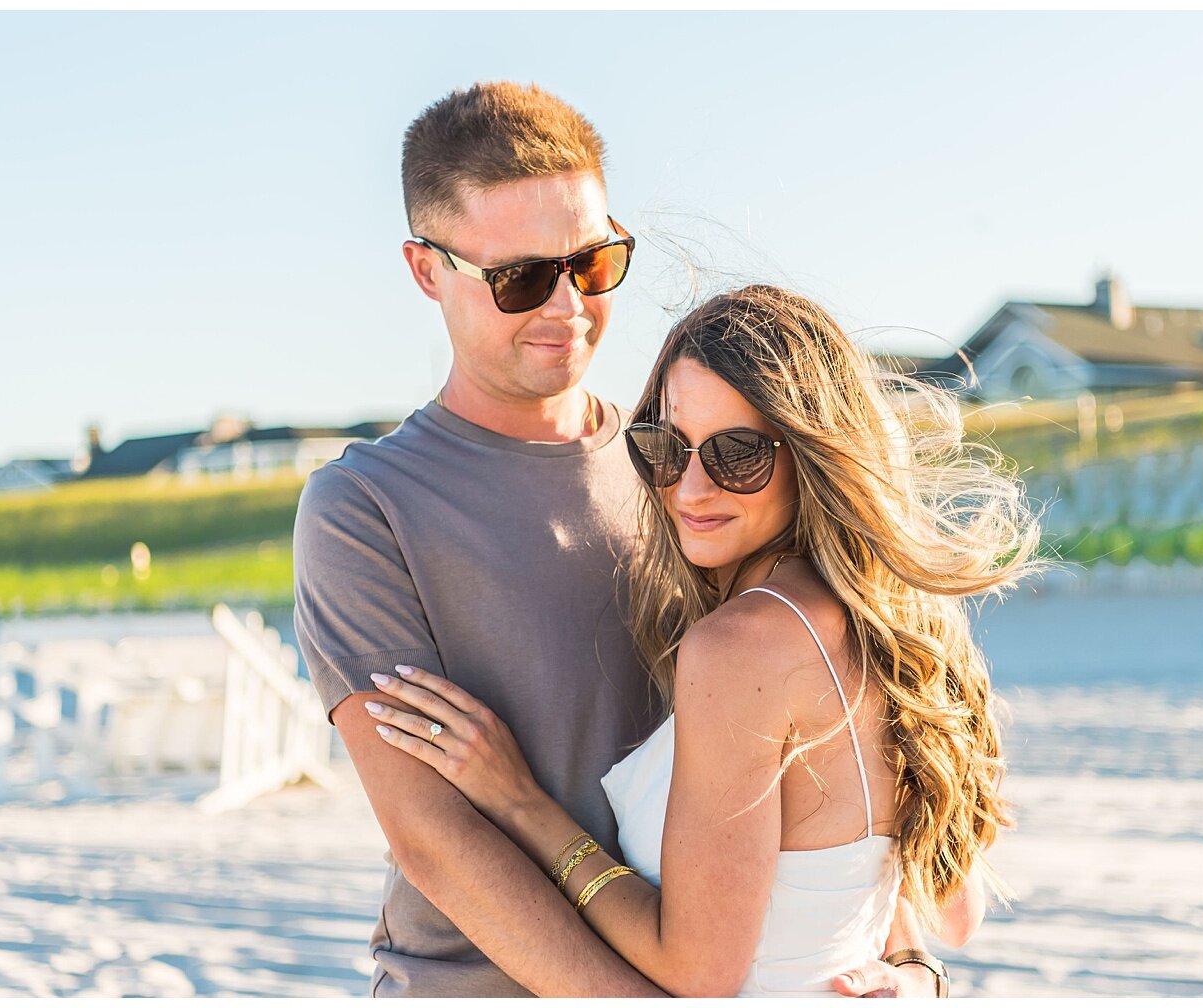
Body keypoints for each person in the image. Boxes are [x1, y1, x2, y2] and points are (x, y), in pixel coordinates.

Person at [293, 82, 955, 997]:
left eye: (593, 264)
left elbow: (812, 747)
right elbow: (434, 839)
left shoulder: (683, 462)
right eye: (521, 277)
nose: (566, 306)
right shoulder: (365, 508)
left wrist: (908, 960)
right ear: (424, 268)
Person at [366, 284, 1049, 995]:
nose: (691, 488)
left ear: (813, 454)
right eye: (666, 448)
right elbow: (953, 910)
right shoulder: (895, 623)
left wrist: (523, 808)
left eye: (738, 454)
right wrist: (916, 971)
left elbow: (698, 971)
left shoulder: (741, 646)